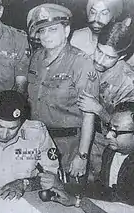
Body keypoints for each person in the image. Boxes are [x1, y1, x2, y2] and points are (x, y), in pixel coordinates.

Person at [27, 4, 99, 179]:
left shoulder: (81, 62)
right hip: (38, 141)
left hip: (68, 144)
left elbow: (89, 114)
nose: (46, 36)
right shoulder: (36, 57)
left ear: (66, 31)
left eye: (52, 30)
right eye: (42, 31)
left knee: (67, 195)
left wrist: (82, 156)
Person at [77, 18, 134, 179]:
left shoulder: (128, 82)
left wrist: (98, 110)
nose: (100, 60)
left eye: (109, 57)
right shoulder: (84, 62)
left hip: (107, 147)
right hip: (77, 139)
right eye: (99, 51)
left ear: (122, 57)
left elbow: (127, 133)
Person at [50, 102, 134, 207]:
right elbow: (102, 189)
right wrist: (63, 187)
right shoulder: (110, 152)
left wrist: (77, 201)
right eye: (109, 128)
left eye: (115, 131)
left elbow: (123, 202)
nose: (108, 136)